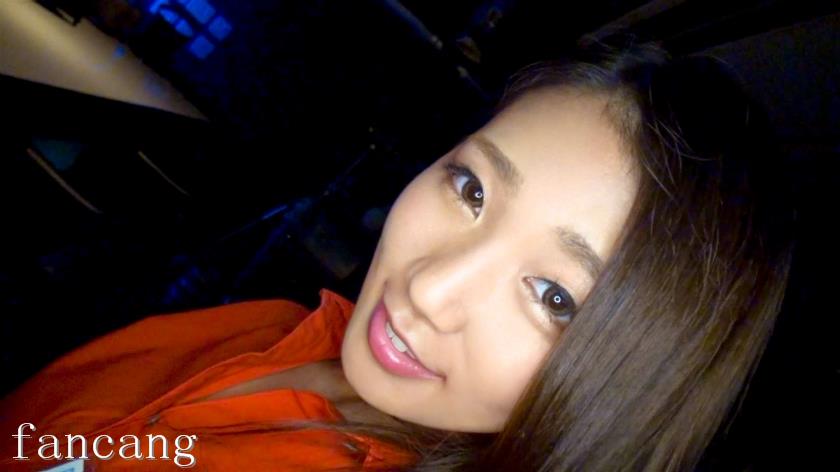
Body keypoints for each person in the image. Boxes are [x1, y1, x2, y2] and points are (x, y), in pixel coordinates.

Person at [1, 37, 795, 471]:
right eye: (472, 189)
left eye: (555, 297)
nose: (428, 290)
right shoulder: (278, 325)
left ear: (626, 391)